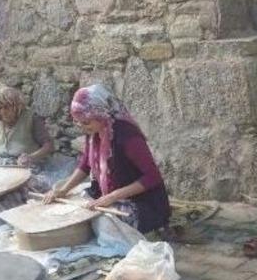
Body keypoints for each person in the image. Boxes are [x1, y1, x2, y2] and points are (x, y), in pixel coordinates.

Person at [44, 84, 171, 235]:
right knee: (76, 207)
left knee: (103, 224)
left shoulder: (127, 136)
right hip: (110, 194)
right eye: (77, 121)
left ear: (101, 115)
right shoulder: (94, 132)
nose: (81, 126)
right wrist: (63, 190)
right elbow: (86, 165)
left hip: (142, 202)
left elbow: (152, 177)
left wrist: (113, 196)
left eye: (85, 122)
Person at [0, 85, 54, 168]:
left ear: (17, 107)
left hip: (24, 167)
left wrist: (31, 157)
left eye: (6, 107)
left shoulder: (31, 119)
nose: (3, 112)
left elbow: (48, 145)